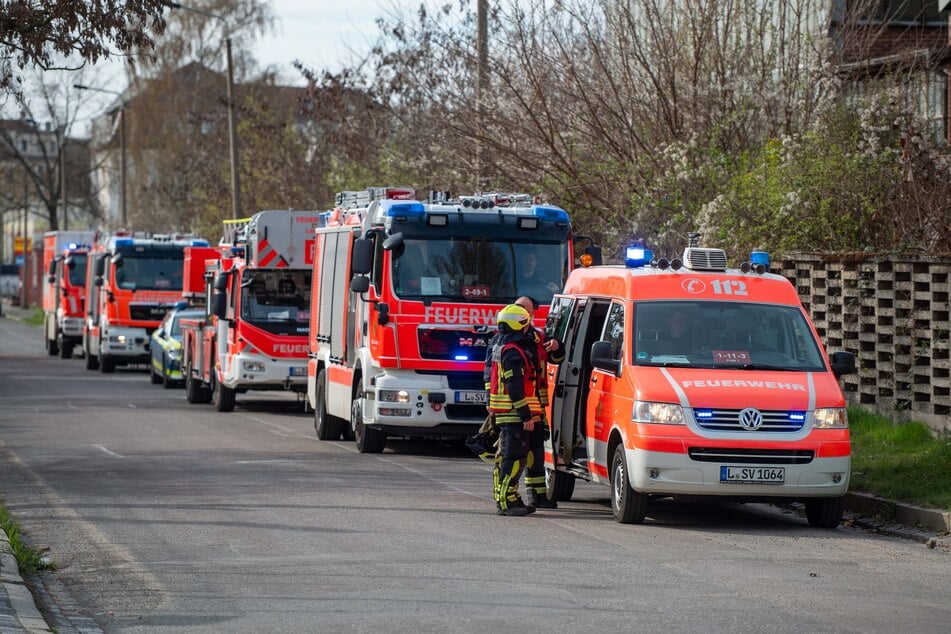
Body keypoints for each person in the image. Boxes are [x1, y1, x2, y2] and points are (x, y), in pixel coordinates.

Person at [486, 303, 542, 516]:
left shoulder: (504, 347)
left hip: (509, 413)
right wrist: (525, 415)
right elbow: (515, 388)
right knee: (513, 458)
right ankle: (507, 502)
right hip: (514, 414)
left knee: (510, 458)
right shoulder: (513, 352)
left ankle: (509, 499)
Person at [515, 296, 564, 510]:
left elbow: (557, 359)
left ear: (533, 313)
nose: (523, 314)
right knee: (513, 455)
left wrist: (556, 347)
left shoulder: (539, 337)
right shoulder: (506, 338)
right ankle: (508, 497)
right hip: (513, 408)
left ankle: (537, 495)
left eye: (526, 311)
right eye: (519, 309)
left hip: (535, 407)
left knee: (536, 453)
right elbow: (491, 371)